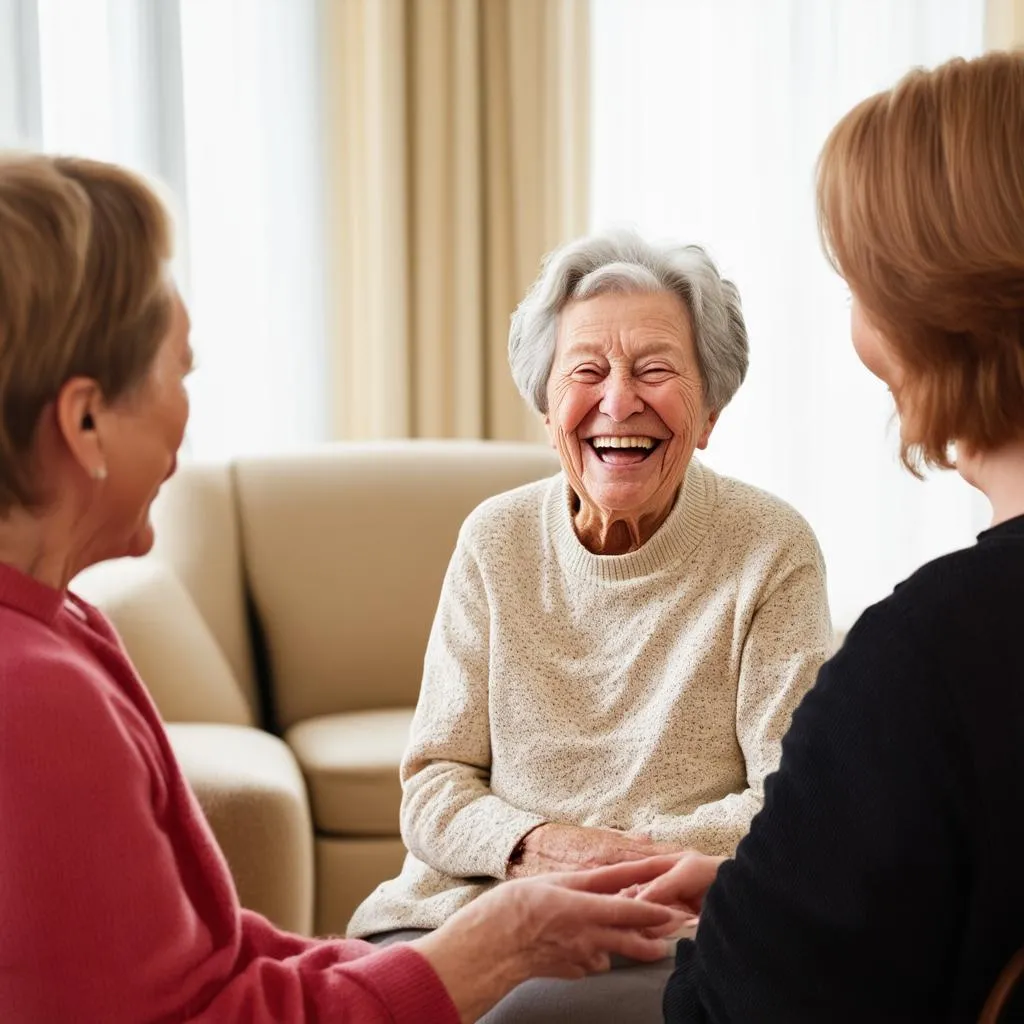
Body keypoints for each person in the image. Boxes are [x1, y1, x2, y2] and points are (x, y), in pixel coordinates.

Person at [0, 152, 693, 1024]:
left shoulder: (66, 629)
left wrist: (431, 955)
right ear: (83, 420)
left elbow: (208, 960)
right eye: (178, 374)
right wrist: (494, 940)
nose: (188, 411)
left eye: (657, 370)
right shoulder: (31, 697)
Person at [348, 230, 834, 1021]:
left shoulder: (770, 549)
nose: (618, 401)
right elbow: (434, 786)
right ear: (547, 410)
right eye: (586, 371)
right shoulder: (494, 540)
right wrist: (543, 850)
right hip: (457, 914)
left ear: (709, 411)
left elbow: (794, 801)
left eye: (654, 369)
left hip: (658, 928)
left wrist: (614, 869)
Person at [649, 50, 1024, 1023]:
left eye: (859, 283)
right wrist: (767, 890)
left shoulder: (928, 659)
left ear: (929, 313)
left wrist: (756, 917)